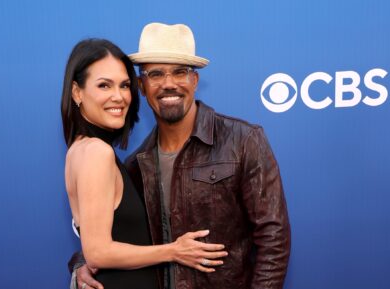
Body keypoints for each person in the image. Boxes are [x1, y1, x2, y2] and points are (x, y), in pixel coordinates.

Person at [71, 23, 291, 289]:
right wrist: (83, 263)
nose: (169, 84)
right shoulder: (137, 164)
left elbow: (273, 239)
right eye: (156, 74)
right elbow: (114, 231)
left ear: (194, 81)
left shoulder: (243, 140)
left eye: (180, 72)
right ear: (142, 86)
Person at [61, 38, 228, 289]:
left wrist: (81, 262)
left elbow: (96, 240)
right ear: (77, 92)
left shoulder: (80, 150)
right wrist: (174, 251)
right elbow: (98, 252)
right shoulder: (97, 152)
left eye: (124, 85)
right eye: (104, 85)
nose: (118, 97)